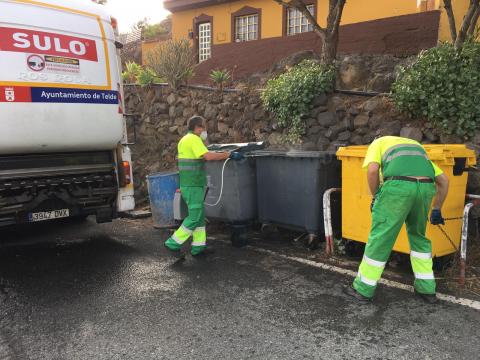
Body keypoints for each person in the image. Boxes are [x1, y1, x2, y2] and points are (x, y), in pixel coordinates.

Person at [344, 136, 449, 304]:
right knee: (419, 237)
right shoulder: (416, 147)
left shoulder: (377, 143)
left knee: (381, 238)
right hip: (425, 188)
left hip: (397, 188)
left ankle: (363, 289)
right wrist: (436, 209)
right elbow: (444, 181)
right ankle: (427, 290)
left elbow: (372, 171)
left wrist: (376, 196)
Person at [164, 115, 240, 258]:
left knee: (199, 218)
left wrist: (220, 154)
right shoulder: (194, 139)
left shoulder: (184, 140)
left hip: (190, 184)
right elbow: (208, 157)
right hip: (193, 186)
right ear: (197, 128)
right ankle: (172, 243)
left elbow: (200, 156)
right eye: (203, 127)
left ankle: (198, 247)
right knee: (194, 217)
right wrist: (228, 155)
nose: (204, 130)